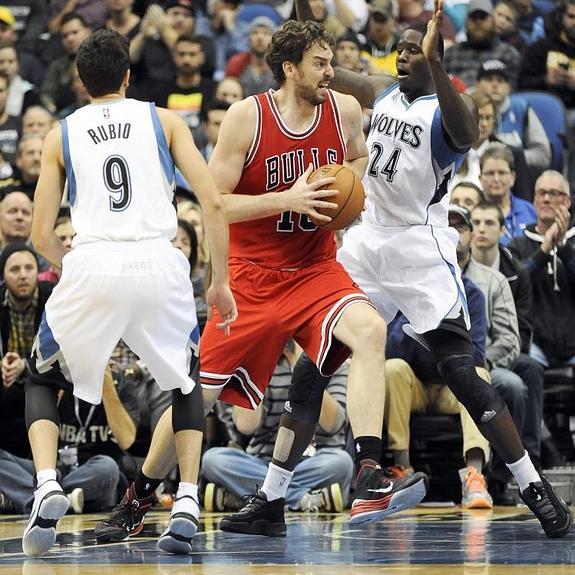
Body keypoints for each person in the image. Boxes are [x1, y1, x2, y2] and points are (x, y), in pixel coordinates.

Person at [96, 19, 428, 543]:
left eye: (331, 61)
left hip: (315, 265)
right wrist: (286, 199)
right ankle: (137, 497)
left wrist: (349, 185)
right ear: (289, 68)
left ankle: (368, 473)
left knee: (370, 331)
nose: (331, 71)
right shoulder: (245, 119)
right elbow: (214, 202)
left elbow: (361, 156)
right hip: (251, 276)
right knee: (196, 398)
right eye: (320, 63)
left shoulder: (341, 109)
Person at [275, 0, 571, 539]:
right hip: (368, 241)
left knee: (465, 373)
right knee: (316, 359)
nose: (407, 55)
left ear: (433, 58)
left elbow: (466, 129)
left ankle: (534, 487)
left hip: (419, 247)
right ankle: (272, 496)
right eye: (403, 50)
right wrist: (305, 16)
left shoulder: (446, 111)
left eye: (418, 49)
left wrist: (437, 62)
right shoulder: (383, 93)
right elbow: (323, 62)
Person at [21, 29, 237, 558]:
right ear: (127, 75)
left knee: (41, 375)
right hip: (158, 261)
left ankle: (48, 482)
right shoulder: (163, 121)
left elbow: (39, 235)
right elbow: (211, 202)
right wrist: (218, 280)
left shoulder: (59, 135)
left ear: (79, 82)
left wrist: (82, 268)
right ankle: (186, 497)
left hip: (94, 258)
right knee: (185, 380)